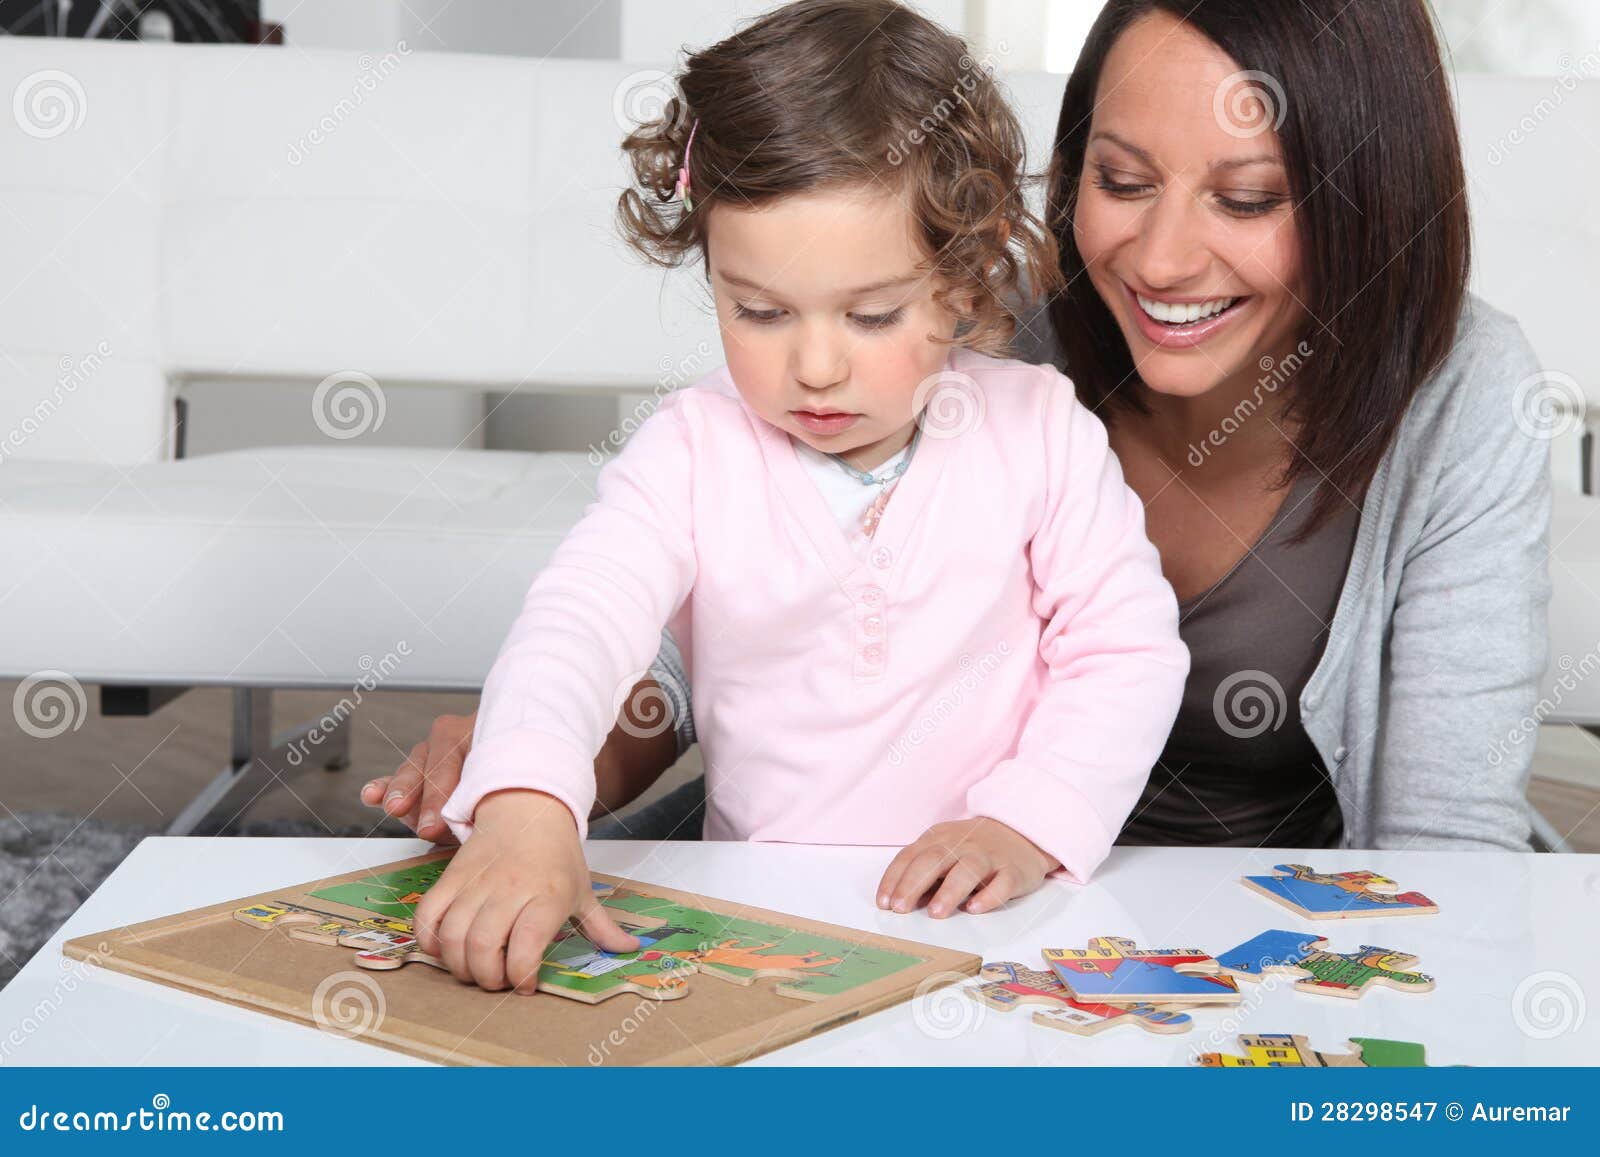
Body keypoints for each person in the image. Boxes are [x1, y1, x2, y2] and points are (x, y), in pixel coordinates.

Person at [369, 0, 1551, 897]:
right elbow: (700, 628)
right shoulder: (979, 336)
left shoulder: (1454, 391)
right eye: (1120, 180)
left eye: (1245, 199)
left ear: (1366, 203)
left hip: (1202, 916)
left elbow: (1449, 852)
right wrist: (540, 762)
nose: (1161, 258)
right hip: (854, 890)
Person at [376, 0, 1191, 995]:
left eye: (872, 313)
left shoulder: (1042, 431)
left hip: (1002, 917)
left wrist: (1028, 820)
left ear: (966, 278)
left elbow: (1124, 648)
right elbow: (581, 615)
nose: (813, 367)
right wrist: (527, 800)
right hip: (754, 929)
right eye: (757, 311)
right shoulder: (691, 447)